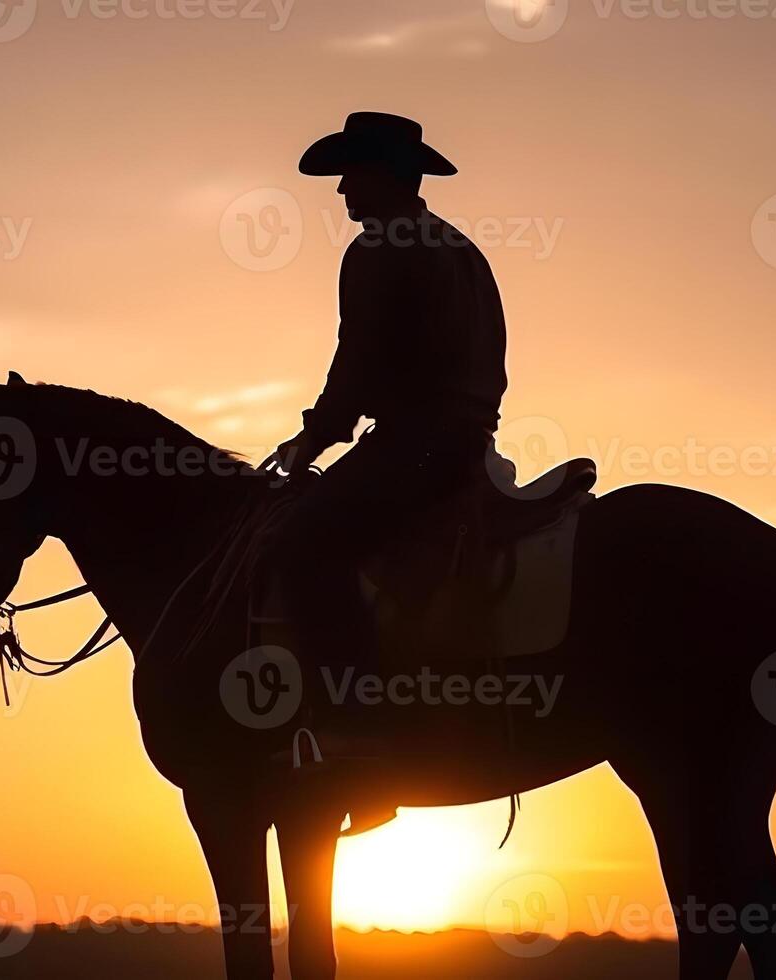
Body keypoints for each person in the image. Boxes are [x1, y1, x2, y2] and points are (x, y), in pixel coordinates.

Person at [266, 112, 508, 763]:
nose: (341, 189)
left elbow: (359, 360)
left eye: (351, 173)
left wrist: (311, 441)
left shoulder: (378, 248)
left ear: (380, 174)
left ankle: (354, 728)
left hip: (416, 446)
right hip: (466, 441)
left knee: (304, 543)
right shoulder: (459, 246)